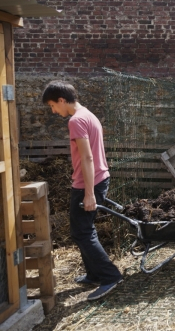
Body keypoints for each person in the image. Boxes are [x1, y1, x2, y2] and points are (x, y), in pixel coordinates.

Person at [42, 81, 122, 300]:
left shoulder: (76, 121)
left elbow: (87, 157)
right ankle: (94, 273)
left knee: (82, 232)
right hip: (97, 179)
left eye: (52, 106)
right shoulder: (88, 114)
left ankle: (110, 276)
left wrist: (88, 193)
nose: (53, 111)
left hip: (88, 183)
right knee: (83, 230)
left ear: (61, 100)